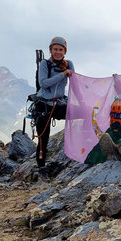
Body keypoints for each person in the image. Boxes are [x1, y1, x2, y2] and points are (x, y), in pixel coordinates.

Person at [34, 36, 74, 168]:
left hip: (59, 104)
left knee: (84, 114)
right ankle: (41, 167)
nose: (58, 52)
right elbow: (44, 83)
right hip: (43, 104)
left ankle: (82, 152)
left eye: (60, 49)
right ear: (51, 50)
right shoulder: (45, 64)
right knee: (43, 138)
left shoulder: (69, 64)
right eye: (55, 49)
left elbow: (75, 82)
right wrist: (62, 74)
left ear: (65, 51)